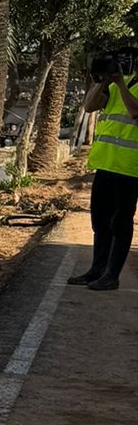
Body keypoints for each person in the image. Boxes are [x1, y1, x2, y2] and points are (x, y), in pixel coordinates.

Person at [75, 57, 138, 289]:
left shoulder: (123, 86)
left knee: (120, 223)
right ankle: (97, 270)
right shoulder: (117, 84)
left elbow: (134, 112)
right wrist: (101, 81)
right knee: (100, 221)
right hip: (105, 165)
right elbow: (90, 106)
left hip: (131, 168)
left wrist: (120, 85)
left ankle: (112, 276)